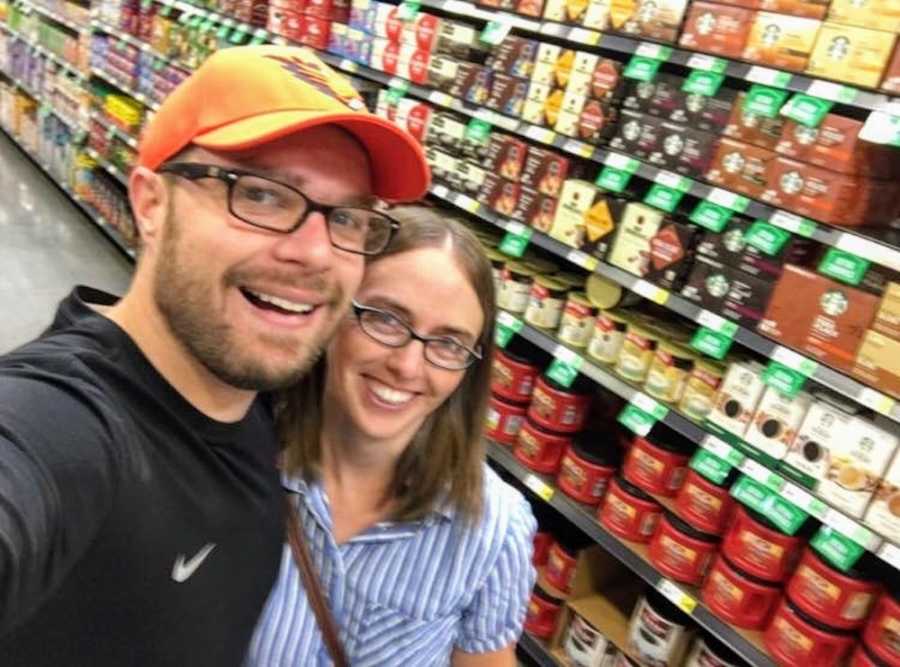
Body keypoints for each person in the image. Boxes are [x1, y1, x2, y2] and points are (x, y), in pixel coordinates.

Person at [0, 45, 429, 665]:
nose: (315, 253)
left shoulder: (266, 401)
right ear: (151, 204)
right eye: (261, 195)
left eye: (349, 218)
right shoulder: (62, 421)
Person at [247, 207, 537, 666]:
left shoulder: (492, 528)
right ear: (335, 310)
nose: (406, 366)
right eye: (385, 319)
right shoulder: (236, 452)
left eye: (447, 343)